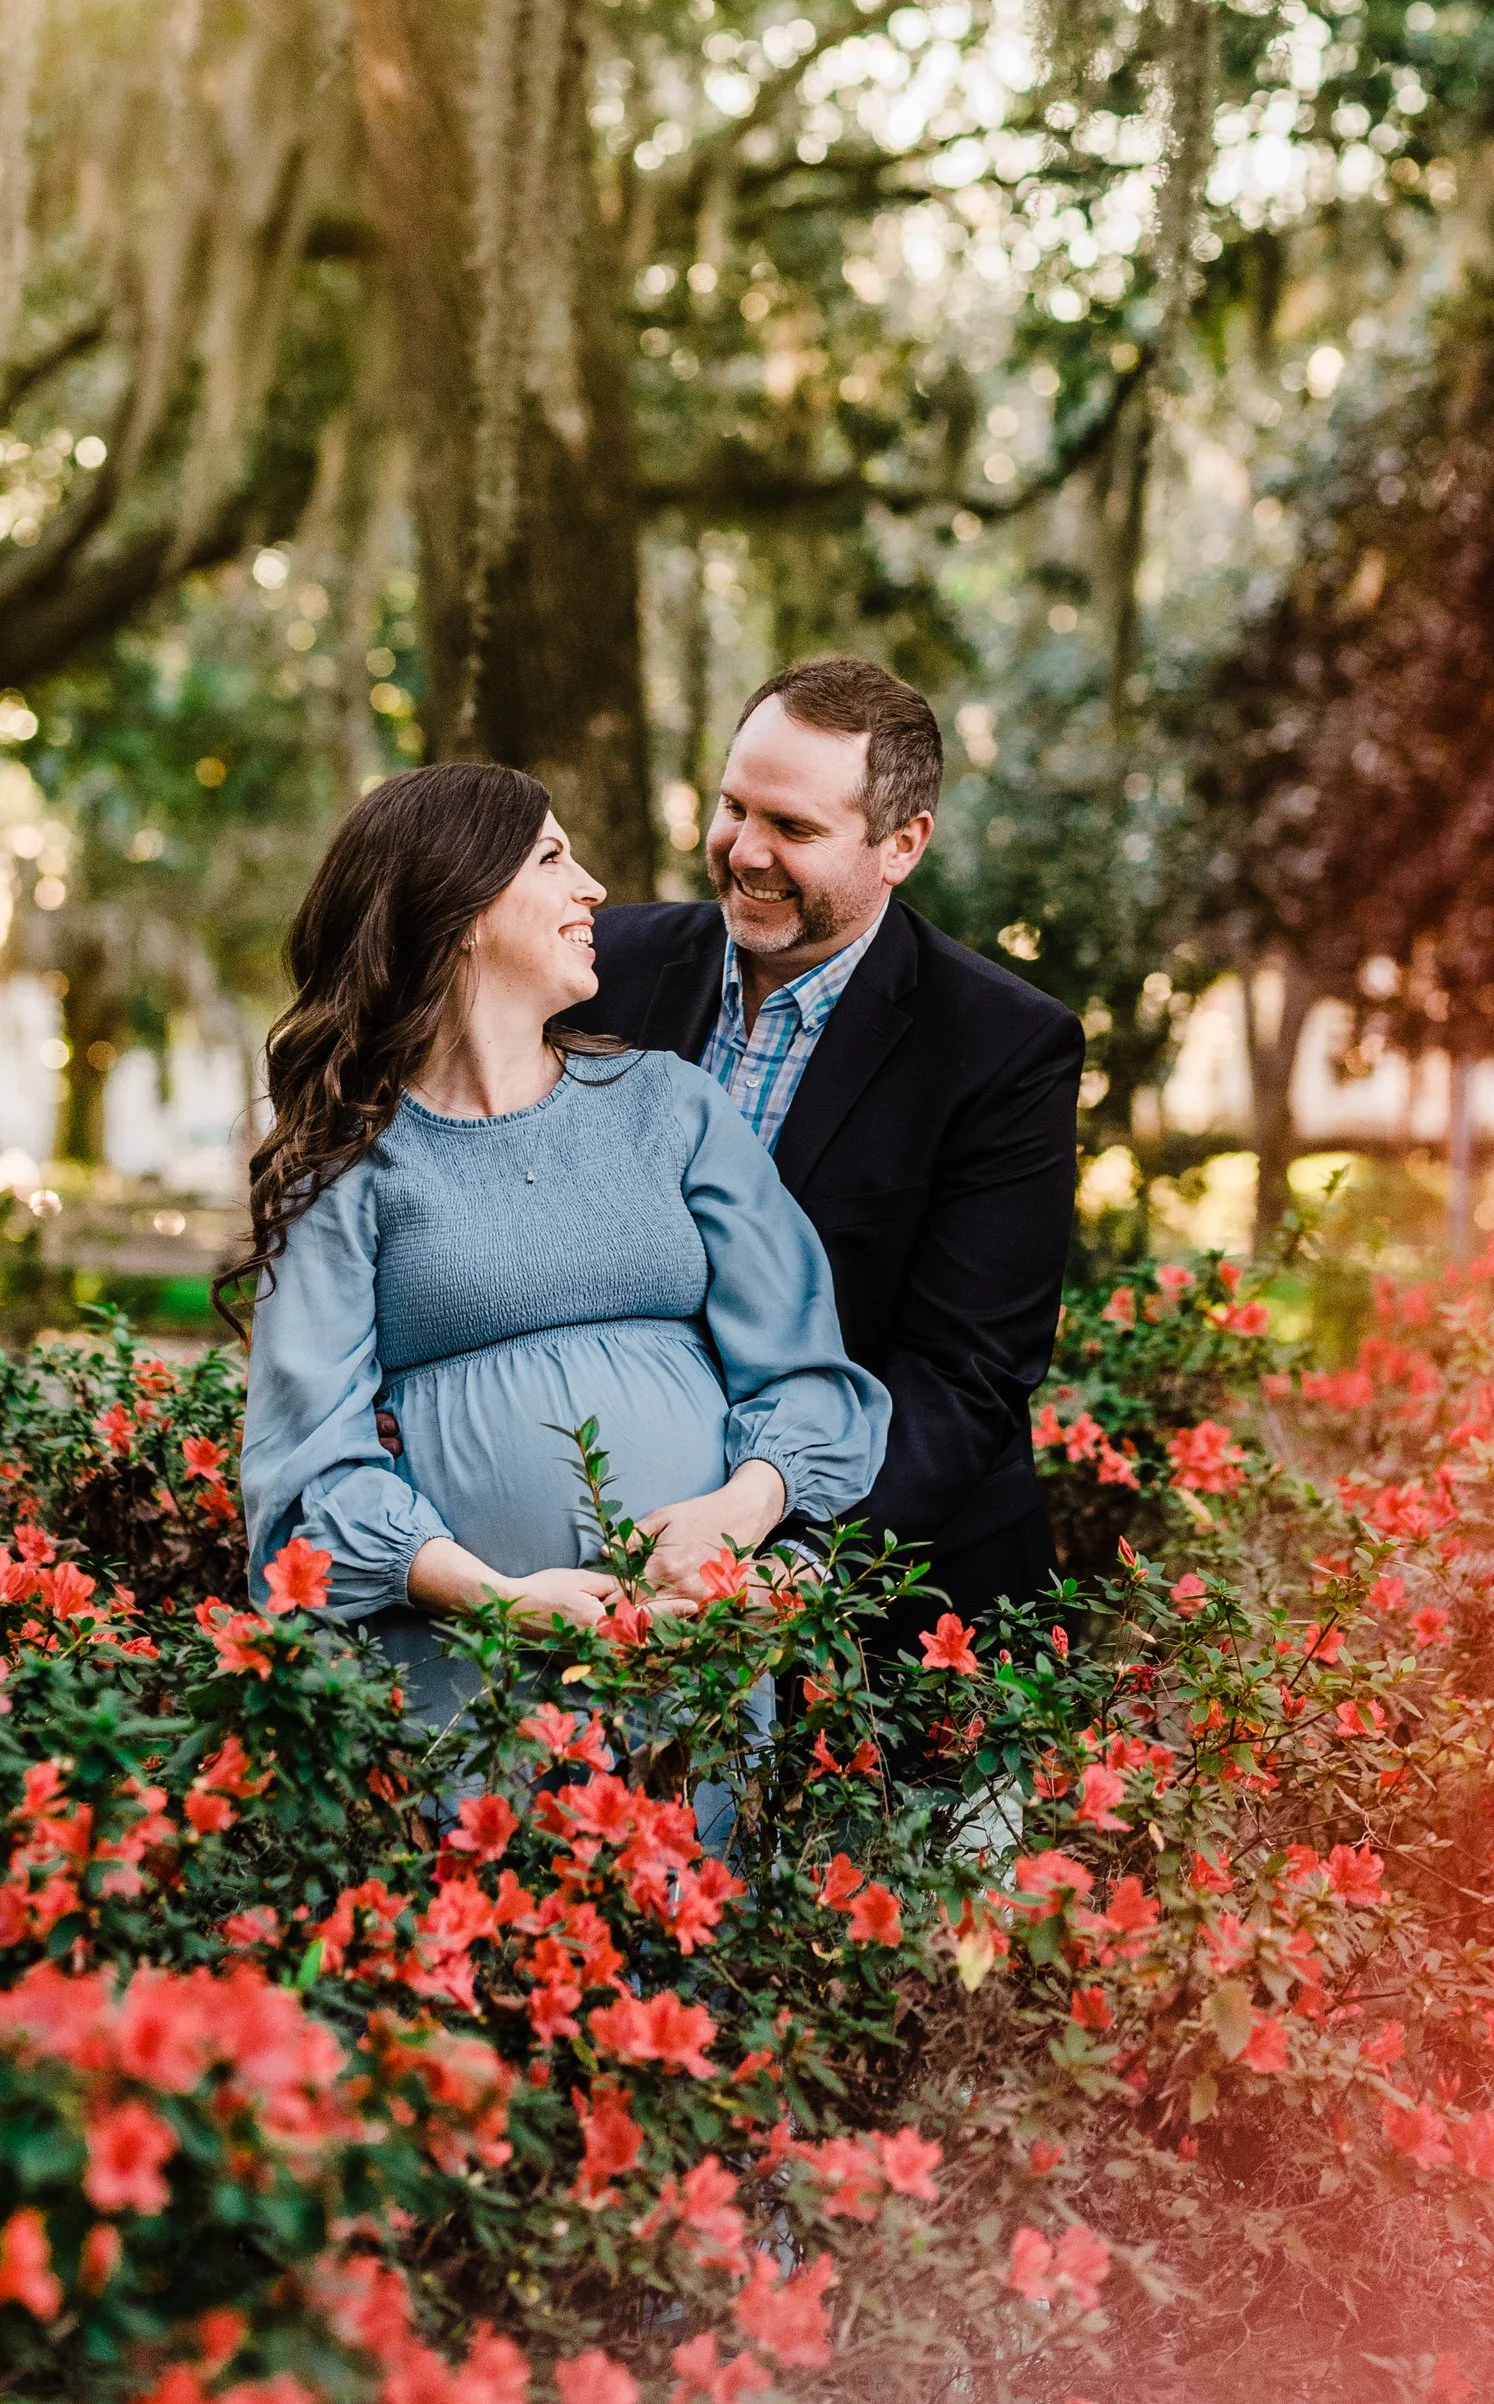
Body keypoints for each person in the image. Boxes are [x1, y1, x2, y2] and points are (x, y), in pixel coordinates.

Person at [235, 762, 889, 1717]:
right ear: (459, 908)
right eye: (553, 857)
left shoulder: (671, 1106)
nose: (593, 889)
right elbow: (307, 1470)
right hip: (468, 1686)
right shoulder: (347, 1169)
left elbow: (805, 1374)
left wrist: (744, 1519)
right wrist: (497, 1601)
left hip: (696, 1661)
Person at [583, 658, 1083, 1629]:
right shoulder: (608, 969)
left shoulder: (1002, 1048)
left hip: (898, 1608)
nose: (745, 851)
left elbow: (964, 1373)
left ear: (901, 844)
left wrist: (805, 1556)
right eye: (735, 807)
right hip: (626, 1567)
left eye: (794, 828)